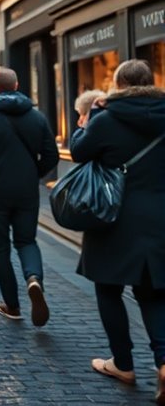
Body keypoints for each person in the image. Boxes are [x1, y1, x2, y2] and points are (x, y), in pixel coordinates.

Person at [68, 60, 165, 401]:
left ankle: (122, 363)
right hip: (160, 218)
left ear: (119, 85)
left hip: (113, 218)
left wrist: (94, 113)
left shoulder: (107, 118)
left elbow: (78, 151)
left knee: (109, 290)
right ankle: (164, 362)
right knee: (153, 294)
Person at [0, 67, 58, 326]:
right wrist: (34, 174)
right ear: (16, 86)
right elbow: (51, 155)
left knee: (0, 247)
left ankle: (12, 305)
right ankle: (34, 278)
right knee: (27, 241)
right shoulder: (36, 117)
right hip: (27, 190)